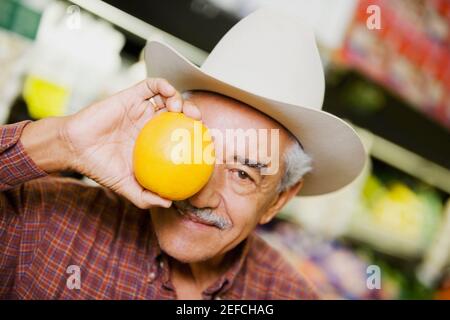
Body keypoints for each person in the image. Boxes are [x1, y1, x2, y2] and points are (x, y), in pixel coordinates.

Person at [0, 8, 365, 300]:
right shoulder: (44, 223)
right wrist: (64, 142)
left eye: (243, 174)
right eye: (193, 149)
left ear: (278, 201)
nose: (201, 194)